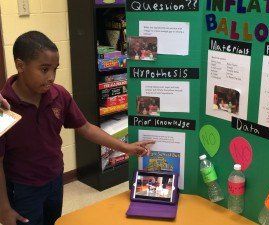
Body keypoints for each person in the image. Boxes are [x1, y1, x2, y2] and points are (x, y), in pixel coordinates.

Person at [0, 31, 154, 225]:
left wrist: (126, 147)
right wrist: (4, 208)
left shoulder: (59, 95)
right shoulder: (4, 107)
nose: (51, 77)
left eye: (55, 69)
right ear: (20, 65)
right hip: (23, 188)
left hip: (55, 179)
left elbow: (86, 128)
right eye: (44, 69)